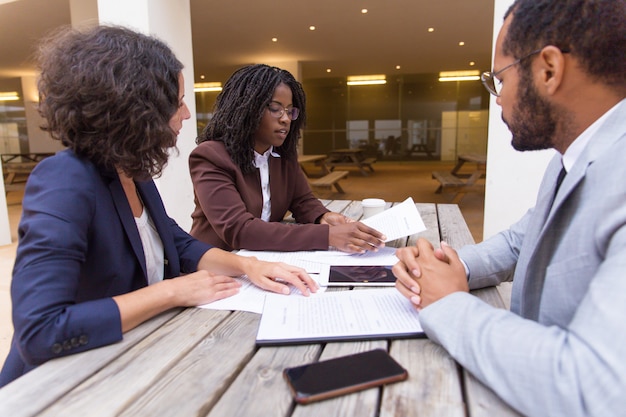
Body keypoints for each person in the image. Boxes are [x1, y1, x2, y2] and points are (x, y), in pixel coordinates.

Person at [0, 26, 318, 388]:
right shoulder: (63, 181)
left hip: (133, 357)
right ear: (136, 107)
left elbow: (177, 242)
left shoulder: (132, 171)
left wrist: (247, 265)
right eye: (178, 102)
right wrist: (172, 291)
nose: (185, 115)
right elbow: (40, 331)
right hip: (60, 385)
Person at [392, 1, 625, 416]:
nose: (496, 99)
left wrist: (447, 303)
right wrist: (451, 265)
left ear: (548, 70)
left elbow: (594, 388)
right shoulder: (573, 157)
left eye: (499, 78)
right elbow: (524, 240)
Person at [189, 64, 386, 253]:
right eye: (275, 108)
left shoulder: (282, 154)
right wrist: (327, 235)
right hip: (216, 266)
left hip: (264, 259)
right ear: (246, 108)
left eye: (290, 110)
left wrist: (323, 217)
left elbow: (302, 200)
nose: (285, 118)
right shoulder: (210, 157)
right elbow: (239, 230)